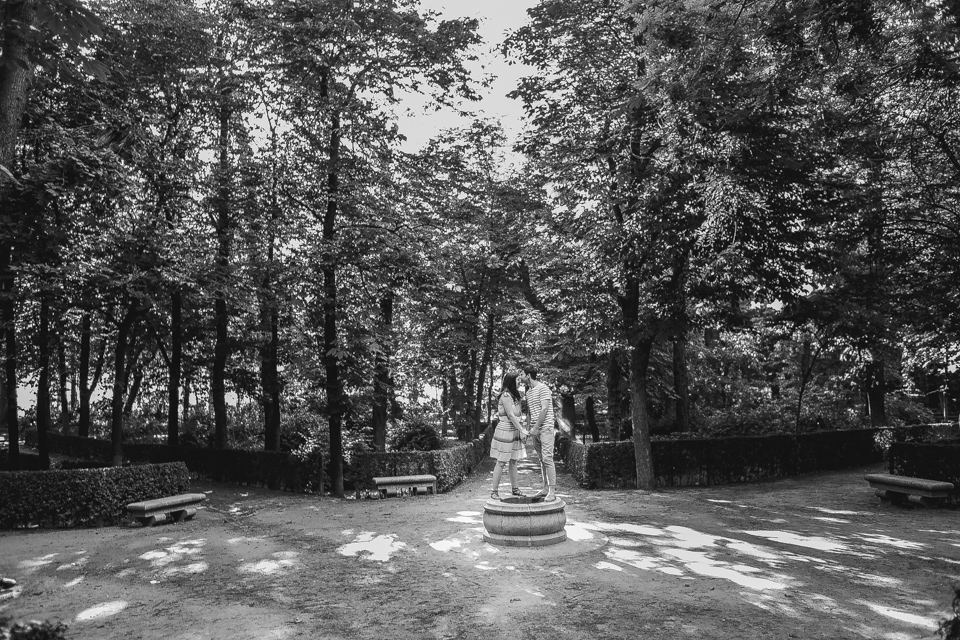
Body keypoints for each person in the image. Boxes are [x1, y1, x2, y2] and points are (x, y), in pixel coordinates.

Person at [489, 371, 528, 501]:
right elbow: (510, 415)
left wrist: (521, 429)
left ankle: (515, 489)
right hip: (505, 429)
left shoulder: (516, 396)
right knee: (501, 461)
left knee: (514, 460)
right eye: (517, 380)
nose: (520, 382)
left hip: (515, 429)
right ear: (511, 381)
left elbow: (518, 415)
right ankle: (494, 491)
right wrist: (522, 429)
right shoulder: (505, 395)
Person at [520, 366, 557, 502]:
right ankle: (545, 488)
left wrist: (536, 427)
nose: (521, 376)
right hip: (535, 431)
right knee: (542, 460)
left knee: (548, 459)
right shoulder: (528, 392)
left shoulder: (543, 388)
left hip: (545, 428)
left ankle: (552, 491)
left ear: (528, 375)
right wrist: (527, 430)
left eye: (522, 374)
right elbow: (529, 413)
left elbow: (545, 409)